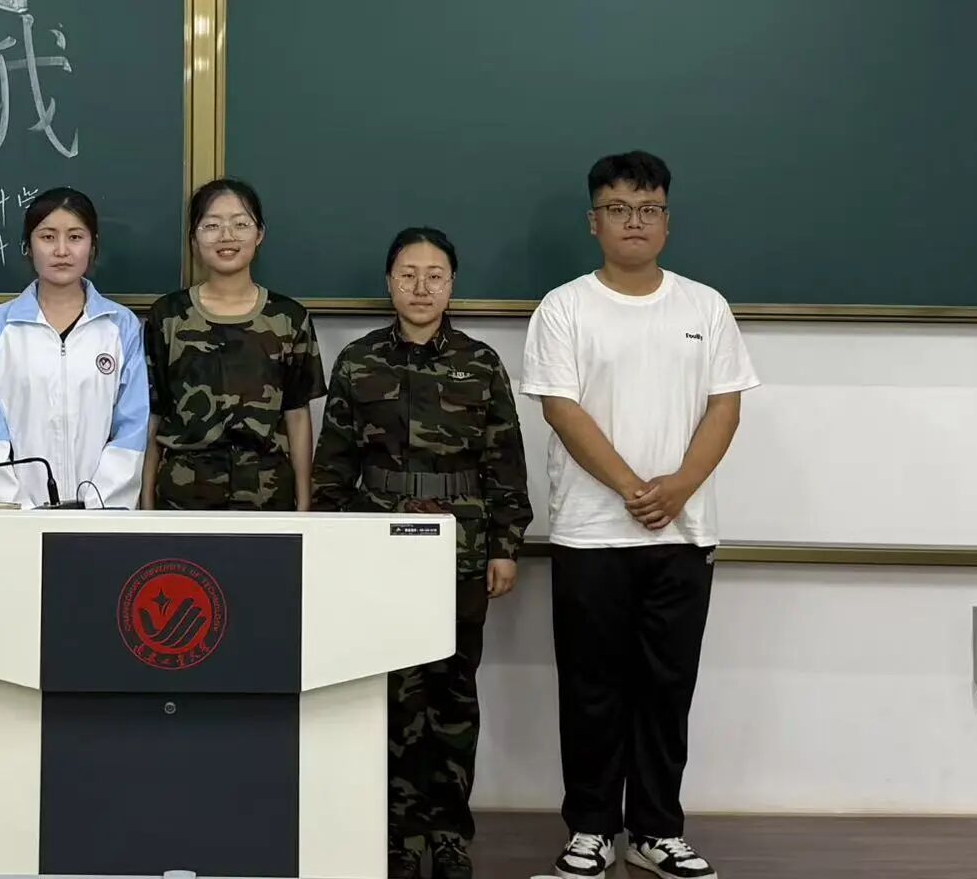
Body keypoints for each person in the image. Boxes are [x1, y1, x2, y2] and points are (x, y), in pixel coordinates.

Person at [521, 151, 758, 879]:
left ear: (667, 221)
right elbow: (560, 408)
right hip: (589, 534)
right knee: (590, 689)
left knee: (666, 688)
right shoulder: (564, 307)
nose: (635, 221)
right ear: (593, 221)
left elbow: (725, 406)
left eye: (648, 209)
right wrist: (632, 487)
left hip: (683, 533)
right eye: (619, 209)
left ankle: (656, 830)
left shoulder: (704, 306)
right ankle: (591, 830)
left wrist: (679, 487)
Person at [313, 226, 532, 879]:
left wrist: (504, 546)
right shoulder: (357, 361)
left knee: (451, 694)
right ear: (389, 282)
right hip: (375, 548)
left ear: (451, 285)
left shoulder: (479, 362)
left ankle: (447, 836)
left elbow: (504, 462)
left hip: (459, 552)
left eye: (434, 275)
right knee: (389, 694)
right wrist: (329, 544)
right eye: (408, 274)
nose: (420, 287)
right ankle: (395, 837)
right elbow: (333, 463)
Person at [0, 186, 148, 507]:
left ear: (92, 245)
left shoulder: (121, 326)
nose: (62, 250)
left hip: (99, 516)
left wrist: (97, 507)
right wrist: (18, 510)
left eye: (75, 237)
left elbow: (131, 429)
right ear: (28, 246)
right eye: (47, 237)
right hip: (15, 517)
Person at [143, 177, 325, 510]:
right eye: (212, 225)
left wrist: (304, 506)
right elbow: (154, 414)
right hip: (184, 497)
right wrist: (146, 504)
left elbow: (297, 415)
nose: (226, 236)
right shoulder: (168, 316)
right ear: (194, 238)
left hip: (267, 497)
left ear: (260, 234)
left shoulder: (289, 318)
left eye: (240, 224)